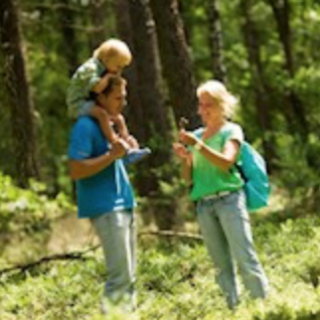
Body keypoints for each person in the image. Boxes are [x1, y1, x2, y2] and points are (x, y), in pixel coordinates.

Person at [173, 80, 268, 309]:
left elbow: (226, 162)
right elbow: (188, 179)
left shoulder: (231, 131)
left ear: (222, 105)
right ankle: (232, 310)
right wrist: (185, 159)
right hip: (204, 206)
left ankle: (264, 309)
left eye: (210, 105)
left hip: (230, 200)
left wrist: (197, 145)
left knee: (244, 256)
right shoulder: (197, 135)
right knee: (220, 265)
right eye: (201, 105)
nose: (204, 110)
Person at [68, 76, 137, 314]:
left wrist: (128, 150)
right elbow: (76, 169)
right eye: (118, 98)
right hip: (105, 208)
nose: (123, 103)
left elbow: (115, 160)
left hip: (124, 203)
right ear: (100, 97)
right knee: (120, 277)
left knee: (129, 276)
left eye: (124, 97)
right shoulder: (85, 126)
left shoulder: (110, 123)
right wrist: (111, 156)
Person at [67, 38, 151, 164]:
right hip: (78, 103)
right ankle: (115, 142)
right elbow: (96, 89)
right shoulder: (91, 67)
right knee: (102, 114)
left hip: (88, 100)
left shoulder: (103, 68)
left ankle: (129, 147)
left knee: (119, 118)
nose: (119, 71)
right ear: (106, 59)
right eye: (118, 67)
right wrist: (109, 77)